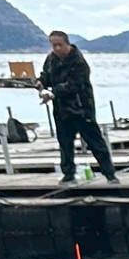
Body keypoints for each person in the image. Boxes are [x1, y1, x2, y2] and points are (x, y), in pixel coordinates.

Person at [38, 31, 118, 183]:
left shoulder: (79, 62)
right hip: (61, 110)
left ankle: (109, 174)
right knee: (65, 143)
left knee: (95, 142)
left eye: (59, 45)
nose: (56, 48)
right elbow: (46, 76)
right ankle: (68, 174)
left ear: (67, 44)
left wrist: (53, 93)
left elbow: (74, 85)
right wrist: (41, 83)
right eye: (53, 45)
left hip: (81, 109)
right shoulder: (50, 59)